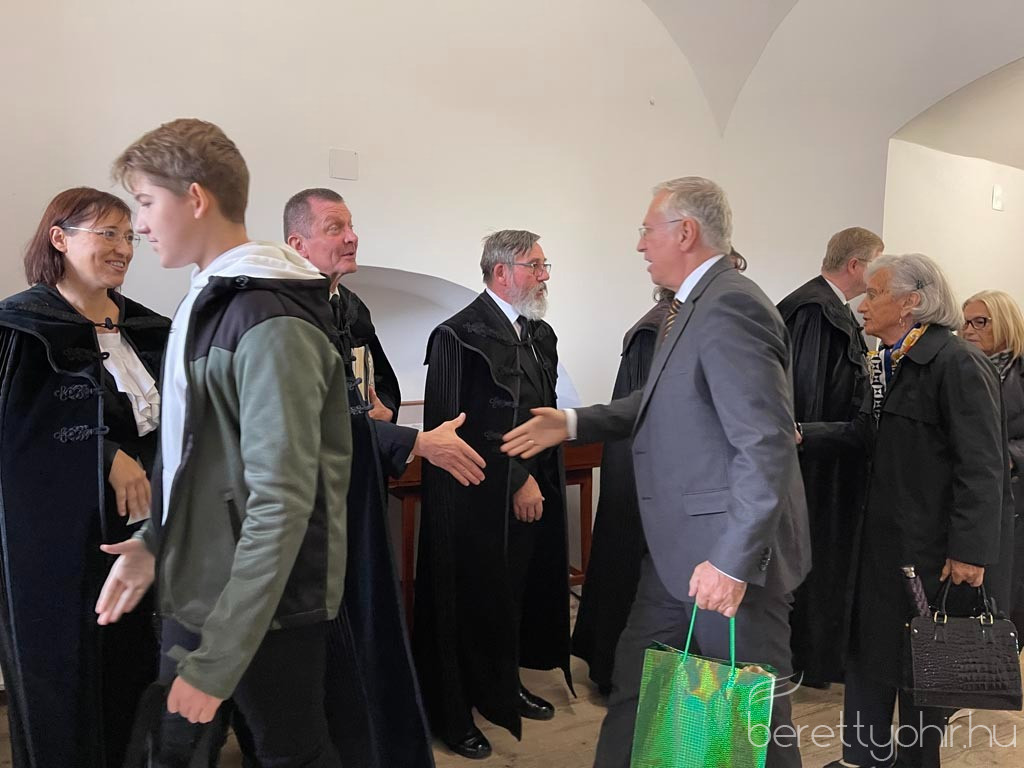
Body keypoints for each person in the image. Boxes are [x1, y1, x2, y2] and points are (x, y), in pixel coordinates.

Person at [504, 177, 810, 768]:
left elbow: (765, 441)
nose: (641, 244)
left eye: (648, 230)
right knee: (637, 685)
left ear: (685, 232)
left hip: (726, 559)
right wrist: (573, 422)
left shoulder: (732, 305)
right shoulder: (690, 306)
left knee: (750, 723)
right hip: (678, 556)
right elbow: (664, 399)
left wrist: (732, 562)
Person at [95, 118, 351, 767]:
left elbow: (281, 502)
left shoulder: (270, 322)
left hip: (266, 606)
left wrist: (218, 660)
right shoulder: (210, 302)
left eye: (146, 202)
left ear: (196, 198)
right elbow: (200, 460)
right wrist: (155, 541)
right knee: (171, 749)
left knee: (292, 754)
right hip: (204, 581)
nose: (140, 225)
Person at [282, 187, 487, 768]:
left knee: (370, 619)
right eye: (334, 227)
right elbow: (302, 421)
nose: (352, 237)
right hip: (308, 507)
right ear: (297, 243)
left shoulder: (349, 306)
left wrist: (385, 412)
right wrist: (409, 440)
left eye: (351, 225)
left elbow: (380, 386)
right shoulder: (281, 314)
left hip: (360, 489)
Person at [798, 254, 1012, 768]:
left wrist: (970, 552)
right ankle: (863, 760)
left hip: (931, 555)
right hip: (880, 548)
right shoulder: (888, 360)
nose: (862, 304)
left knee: (923, 676)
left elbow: (982, 465)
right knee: (870, 662)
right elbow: (867, 434)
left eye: (874, 294)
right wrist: (803, 434)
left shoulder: (957, 363)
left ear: (911, 302)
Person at [0, 187, 170, 768]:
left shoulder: (150, 330)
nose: (123, 248)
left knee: (137, 671)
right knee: (68, 681)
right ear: (60, 238)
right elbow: (14, 438)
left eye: (129, 236)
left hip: (147, 532)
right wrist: (104, 454)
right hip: (60, 546)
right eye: (107, 234)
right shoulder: (21, 328)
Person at [415, 230, 572, 760]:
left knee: (513, 598)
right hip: (474, 502)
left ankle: (503, 686)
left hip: (531, 496)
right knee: (470, 603)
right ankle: (454, 713)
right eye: (535, 266)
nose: (544, 276)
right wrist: (516, 478)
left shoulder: (539, 334)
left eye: (545, 265)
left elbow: (540, 413)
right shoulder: (456, 336)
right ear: (501, 272)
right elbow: (452, 429)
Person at [776, 226, 882, 688]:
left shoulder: (829, 308)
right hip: (815, 467)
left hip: (826, 459)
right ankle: (809, 657)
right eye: (876, 264)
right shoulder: (815, 310)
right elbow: (805, 396)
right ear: (856, 265)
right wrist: (813, 441)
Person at [571, 289, 673, 694]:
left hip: (649, 474)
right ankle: (623, 675)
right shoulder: (656, 331)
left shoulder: (671, 325)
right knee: (633, 576)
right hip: (645, 477)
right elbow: (649, 412)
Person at [961, 289, 1024, 638]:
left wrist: (1009, 457)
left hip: (1014, 502)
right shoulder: (965, 368)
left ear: (1004, 322)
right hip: (981, 500)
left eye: (980, 322)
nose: (969, 330)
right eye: (965, 322)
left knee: (1007, 600)